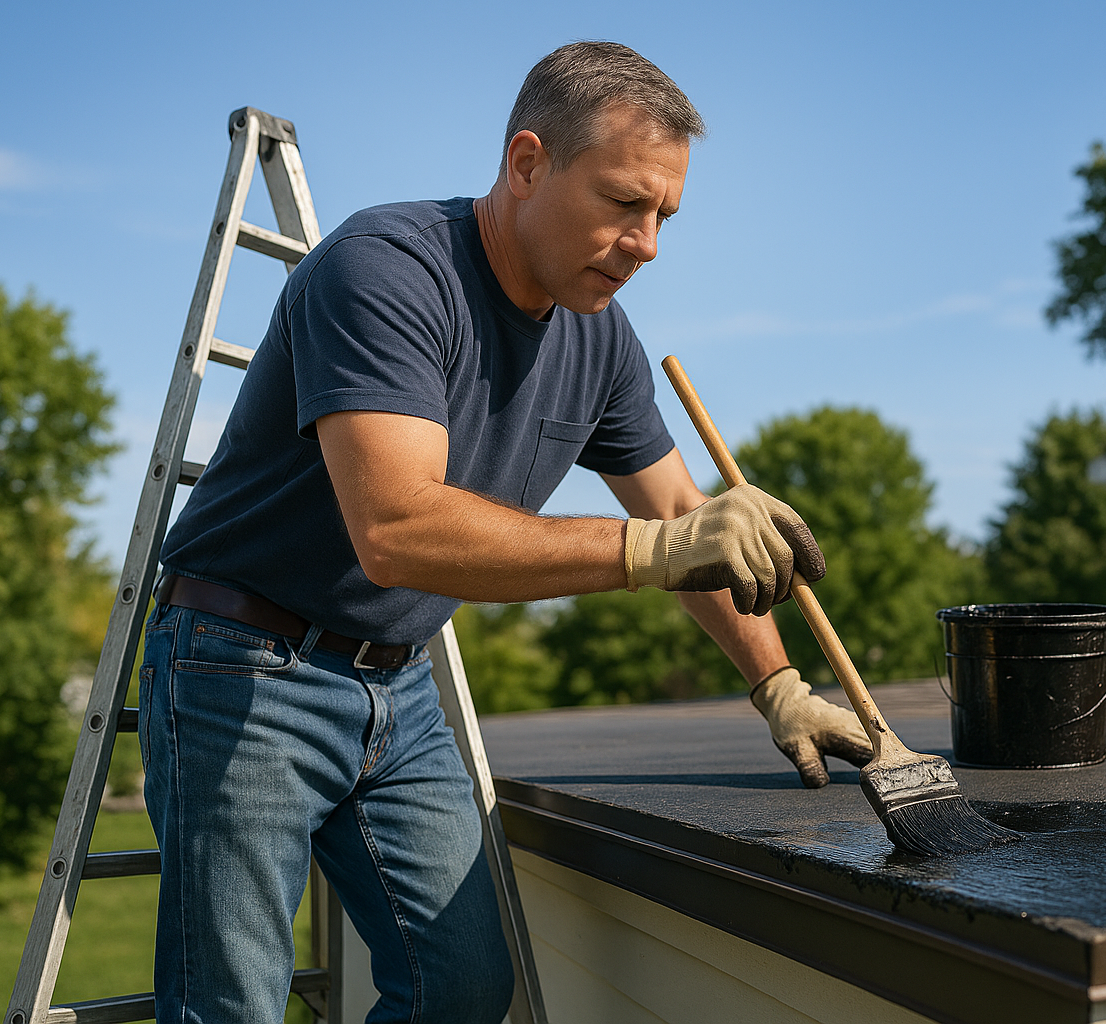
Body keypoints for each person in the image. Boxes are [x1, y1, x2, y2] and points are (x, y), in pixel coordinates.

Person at [140, 41, 872, 1023]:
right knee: (229, 1008)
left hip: (397, 682)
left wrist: (778, 685)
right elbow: (396, 529)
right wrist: (655, 553)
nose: (648, 241)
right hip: (243, 665)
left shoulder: (599, 338)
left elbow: (681, 522)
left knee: (464, 984)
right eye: (624, 203)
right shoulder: (385, 270)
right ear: (527, 163)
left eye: (664, 216)